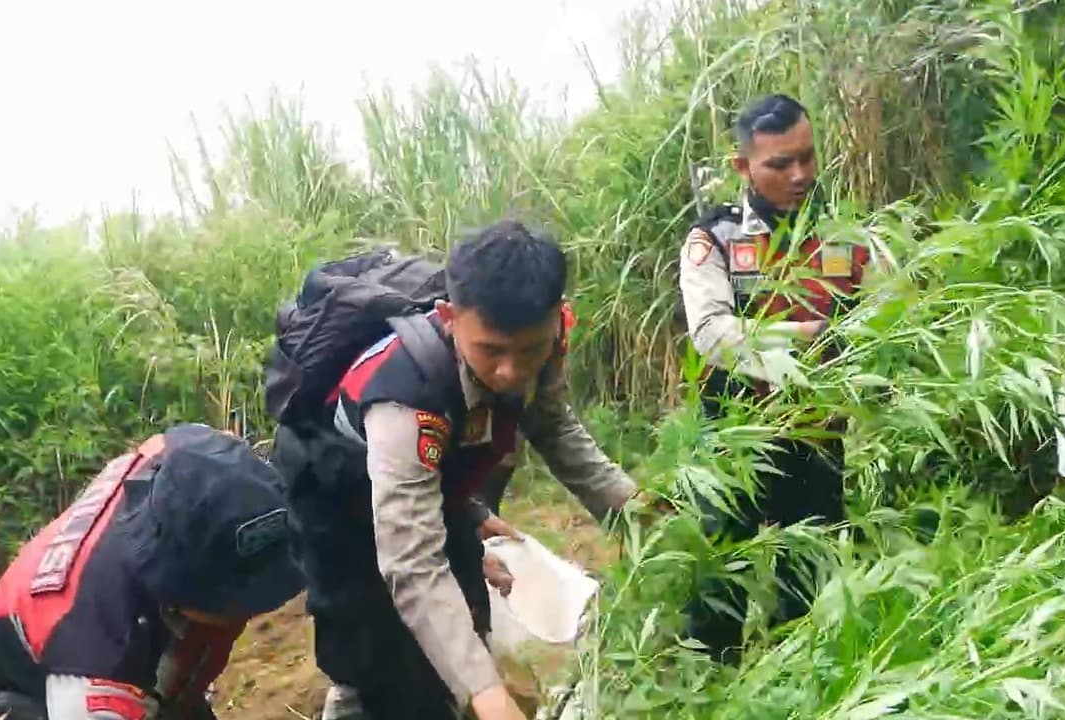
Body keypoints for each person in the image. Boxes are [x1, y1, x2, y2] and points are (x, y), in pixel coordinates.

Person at [269, 221, 640, 720]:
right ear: (449, 317)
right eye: (491, 351)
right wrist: (488, 696)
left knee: (466, 620)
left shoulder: (547, 344)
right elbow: (413, 564)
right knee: (376, 663)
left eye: (529, 350)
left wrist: (637, 512)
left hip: (432, 494)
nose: (511, 371)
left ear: (557, 319)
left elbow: (553, 427)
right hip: (340, 509)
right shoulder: (404, 397)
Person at [677, 93, 872, 663]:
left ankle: (797, 681)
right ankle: (706, 685)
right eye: (781, 164)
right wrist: (797, 341)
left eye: (808, 158)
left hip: (818, 438)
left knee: (807, 585)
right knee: (721, 583)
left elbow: (881, 315)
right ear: (743, 167)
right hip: (738, 440)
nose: (801, 174)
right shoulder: (714, 240)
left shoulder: (842, 235)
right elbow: (710, 332)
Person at [0, 423, 304, 720]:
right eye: (242, 601)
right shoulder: (97, 679)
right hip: (28, 691)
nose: (254, 613)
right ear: (180, 592)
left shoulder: (186, 457)